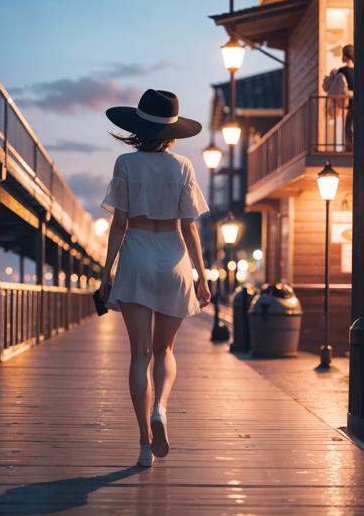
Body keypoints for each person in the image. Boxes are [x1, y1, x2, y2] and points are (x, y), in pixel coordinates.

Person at [98, 89, 211, 468]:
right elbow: (191, 228)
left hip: (137, 253)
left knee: (140, 354)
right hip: (174, 256)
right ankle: (160, 408)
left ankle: (145, 446)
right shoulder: (183, 166)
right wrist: (203, 276)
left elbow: (118, 224)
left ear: (137, 128)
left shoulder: (126, 163)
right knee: (165, 351)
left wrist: (106, 272)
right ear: (171, 132)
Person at [339, 44, 354, 148]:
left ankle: (349, 148)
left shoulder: (342, 71)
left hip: (349, 102)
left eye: (343, 54)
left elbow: (337, 87)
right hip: (354, 101)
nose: (341, 57)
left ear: (347, 55)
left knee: (348, 126)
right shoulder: (358, 69)